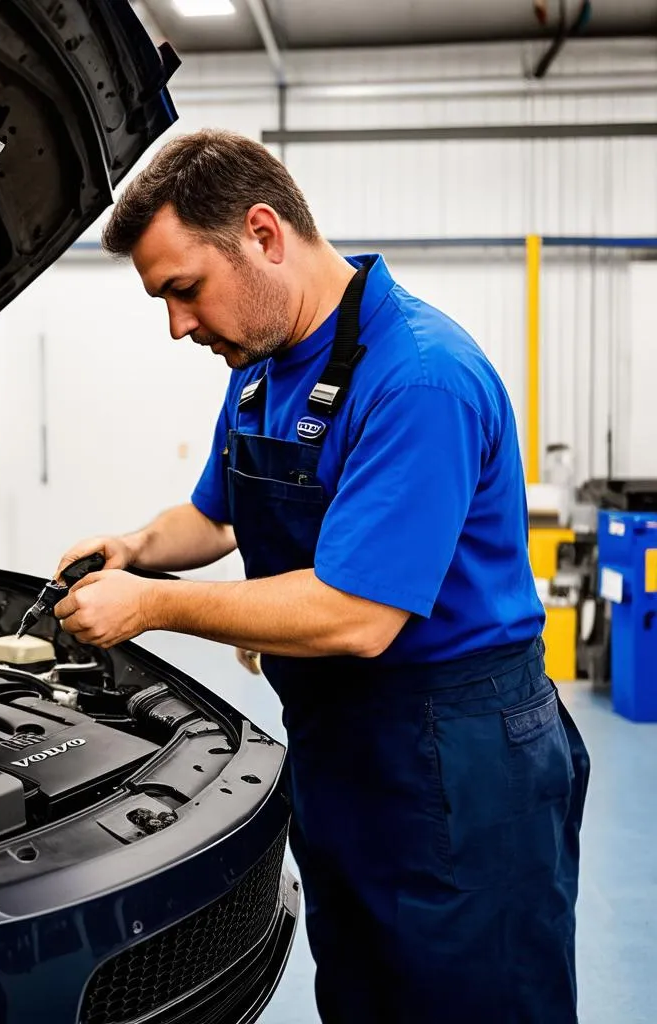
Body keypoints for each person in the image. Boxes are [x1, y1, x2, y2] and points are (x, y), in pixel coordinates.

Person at [52, 129, 590, 1024]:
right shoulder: (263, 369)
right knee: (367, 990)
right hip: (342, 746)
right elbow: (215, 517)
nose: (178, 326)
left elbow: (357, 613)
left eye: (185, 290)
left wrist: (151, 605)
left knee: (475, 999)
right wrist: (135, 549)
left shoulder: (419, 378)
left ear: (263, 234)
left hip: (458, 755)